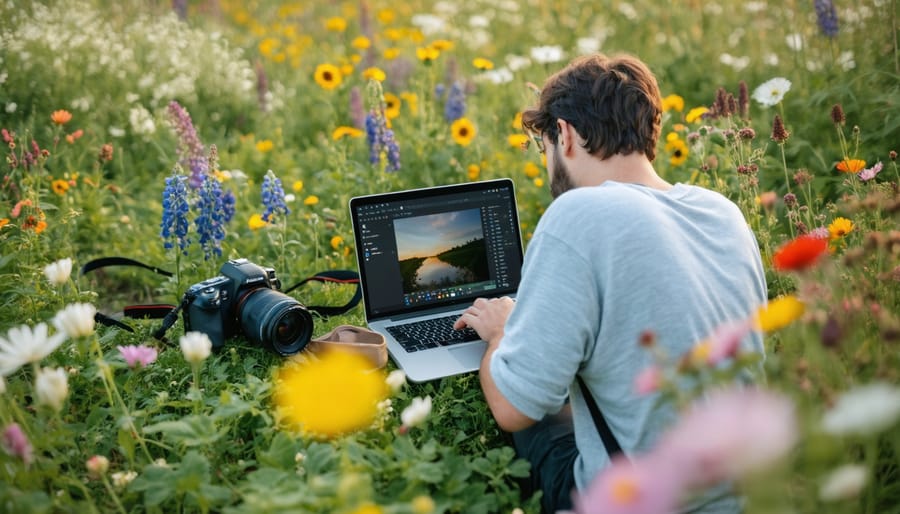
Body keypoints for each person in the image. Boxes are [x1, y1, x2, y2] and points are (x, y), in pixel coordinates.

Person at [453, 53, 767, 513]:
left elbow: (512, 409)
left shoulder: (578, 214)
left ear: (563, 134)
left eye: (544, 149)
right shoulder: (722, 211)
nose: (547, 163)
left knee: (537, 416)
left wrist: (503, 332)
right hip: (754, 493)